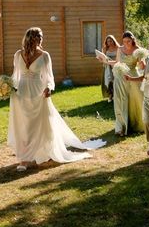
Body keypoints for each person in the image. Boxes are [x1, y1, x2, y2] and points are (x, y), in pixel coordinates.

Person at [8, 27, 93, 171]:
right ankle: (24, 158)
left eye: (41, 37)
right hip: (21, 94)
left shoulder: (45, 55)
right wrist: (6, 87)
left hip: (38, 93)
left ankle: (40, 153)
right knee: (22, 125)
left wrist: (49, 88)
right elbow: (14, 76)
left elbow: (49, 77)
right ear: (30, 37)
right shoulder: (18, 55)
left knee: (38, 124)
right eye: (38, 37)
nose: (41, 39)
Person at [111, 31, 145, 136]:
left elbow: (142, 67)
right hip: (120, 77)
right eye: (124, 41)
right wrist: (105, 61)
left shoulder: (138, 50)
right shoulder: (120, 49)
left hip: (133, 76)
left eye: (128, 41)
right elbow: (117, 63)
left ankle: (137, 124)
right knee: (120, 100)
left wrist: (141, 61)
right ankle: (121, 127)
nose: (126, 43)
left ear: (132, 40)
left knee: (136, 100)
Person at [98, 35, 120, 102]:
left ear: (114, 41)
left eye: (111, 41)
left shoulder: (118, 48)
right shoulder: (105, 49)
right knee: (109, 81)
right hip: (107, 68)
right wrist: (100, 59)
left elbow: (119, 58)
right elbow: (102, 59)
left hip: (116, 67)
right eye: (108, 41)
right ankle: (110, 95)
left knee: (115, 81)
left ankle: (116, 95)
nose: (109, 42)